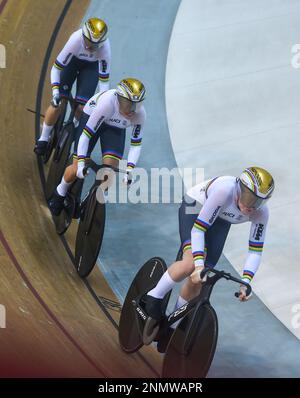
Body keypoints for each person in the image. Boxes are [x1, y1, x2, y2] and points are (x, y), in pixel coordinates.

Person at [143, 167, 275, 320]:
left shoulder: (261, 212)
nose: (252, 206)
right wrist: (198, 264)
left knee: (200, 279)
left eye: (259, 202)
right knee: (190, 264)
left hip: (221, 220)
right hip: (196, 207)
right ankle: (152, 297)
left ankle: (173, 322)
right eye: (249, 199)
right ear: (240, 188)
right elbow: (198, 230)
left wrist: (246, 282)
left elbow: (255, 251)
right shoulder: (224, 190)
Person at [48, 77, 146, 215]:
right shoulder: (107, 104)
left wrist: (130, 169)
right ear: (119, 99)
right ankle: (60, 193)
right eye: (127, 103)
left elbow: (136, 145)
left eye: (137, 104)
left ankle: (89, 203)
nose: (132, 109)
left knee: (108, 176)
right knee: (76, 167)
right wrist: (81, 163)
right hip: (92, 116)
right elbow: (85, 136)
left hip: (115, 128)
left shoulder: (140, 114)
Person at [34, 18, 111, 155]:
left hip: (91, 68)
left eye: (95, 44)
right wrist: (55, 93)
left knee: (82, 107)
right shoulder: (75, 39)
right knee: (57, 103)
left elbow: (104, 82)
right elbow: (56, 69)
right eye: (88, 42)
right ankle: (43, 138)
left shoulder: (105, 49)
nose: (89, 47)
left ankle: (73, 125)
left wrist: (100, 104)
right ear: (83, 36)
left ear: (102, 42)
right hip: (72, 63)